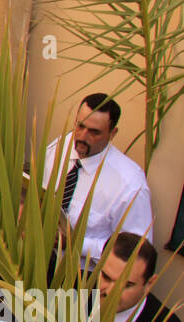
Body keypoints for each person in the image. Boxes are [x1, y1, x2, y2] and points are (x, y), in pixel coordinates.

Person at [43, 93, 153, 265]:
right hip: (37, 256)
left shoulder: (130, 184)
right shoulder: (59, 148)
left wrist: (78, 245)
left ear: (112, 133)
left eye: (94, 132)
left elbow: (135, 252)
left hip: (82, 275)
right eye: (80, 126)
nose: (81, 137)